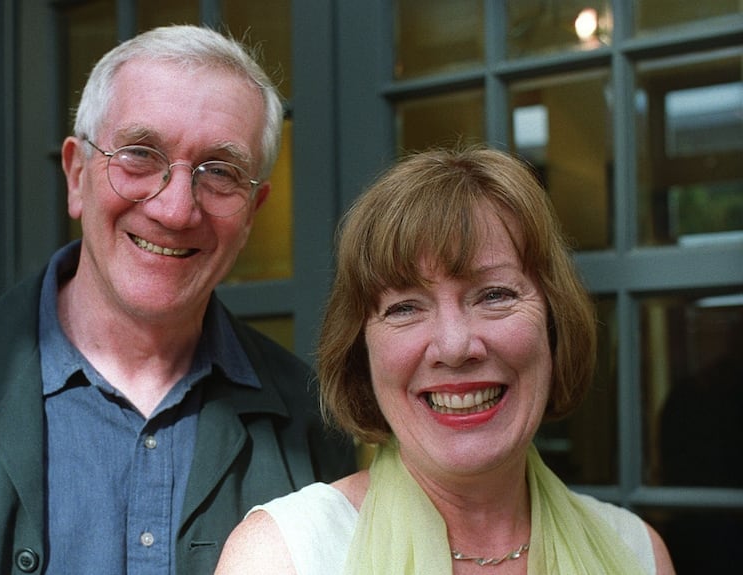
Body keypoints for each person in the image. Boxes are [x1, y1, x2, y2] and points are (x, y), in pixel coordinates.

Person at [0, 25, 354, 575]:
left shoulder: (311, 430)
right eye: (139, 154)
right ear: (76, 173)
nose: (176, 209)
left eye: (221, 173)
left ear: (253, 210)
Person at [215, 147, 676, 575]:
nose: (455, 348)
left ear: (554, 322)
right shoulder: (284, 556)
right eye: (405, 307)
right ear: (361, 349)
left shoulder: (637, 552)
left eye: (494, 295)